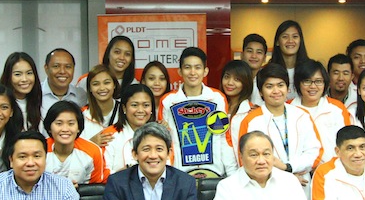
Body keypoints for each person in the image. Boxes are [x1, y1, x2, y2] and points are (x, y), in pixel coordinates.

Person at [237, 64, 323, 189]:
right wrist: (287, 177)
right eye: (269, 86)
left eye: (280, 85)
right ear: (261, 92)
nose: (276, 91)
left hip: (302, 185)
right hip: (266, 186)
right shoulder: (251, 121)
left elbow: (315, 151)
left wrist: (289, 167)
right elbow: (246, 159)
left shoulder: (301, 115)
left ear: (288, 88)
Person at [158, 47, 238, 178]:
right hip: (180, 173)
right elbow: (165, 141)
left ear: (205, 71)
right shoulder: (168, 101)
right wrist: (168, 175)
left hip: (215, 172)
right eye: (188, 67)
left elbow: (224, 137)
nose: (192, 72)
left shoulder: (217, 98)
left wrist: (232, 175)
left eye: (197, 67)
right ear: (180, 71)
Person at [291, 59, 352, 163]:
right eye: (307, 81)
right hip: (298, 173)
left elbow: (347, 143)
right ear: (298, 83)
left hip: (332, 171)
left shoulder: (337, 108)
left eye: (318, 81)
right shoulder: (288, 108)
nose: (313, 86)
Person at [44, 100, 108, 185]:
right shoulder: (39, 150)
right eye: (59, 123)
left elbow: (95, 191)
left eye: (71, 124)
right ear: (49, 127)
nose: (65, 129)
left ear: (78, 127)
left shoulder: (93, 151)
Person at [102, 84, 157, 173]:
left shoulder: (160, 135)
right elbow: (103, 174)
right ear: (124, 108)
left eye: (146, 105)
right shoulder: (109, 135)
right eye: (134, 105)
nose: (140, 110)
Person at [0, 51, 44, 132]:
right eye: (17, 74)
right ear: (8, 76)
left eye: (29, 73)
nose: (24, 79)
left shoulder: (37, 101)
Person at [268, 20, 310, 101]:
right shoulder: (268, 71)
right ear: (277, 42)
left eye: (295, 36)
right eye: (285, 37)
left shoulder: (310, 69)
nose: (290, 41)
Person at [80, 64, 121, 147]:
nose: (102, 88)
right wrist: (91, 143)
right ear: (90, 88)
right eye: (96, 84)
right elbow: (73, 148)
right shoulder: (81, 115)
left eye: (107, 83)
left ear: (114, 85)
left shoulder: (125, 111)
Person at [41, 48, 87, 113]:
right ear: (46, 68)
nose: (62, 71)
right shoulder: (35, 94)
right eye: (56, 66)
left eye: (68, 67)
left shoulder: (81, 95)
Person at [240, 33, 268, 105]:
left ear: (264, 58)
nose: (254, 56)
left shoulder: (268, 80)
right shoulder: (235, 79)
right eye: (249, 51)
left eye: (259, 52)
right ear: (242, 55)